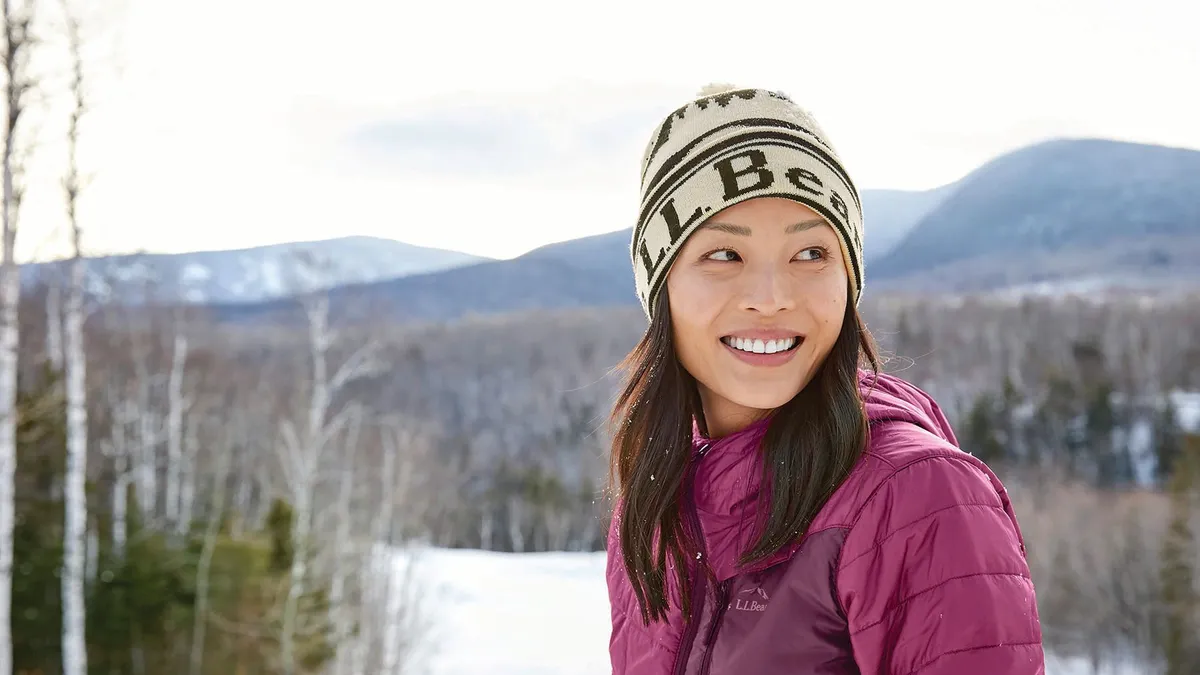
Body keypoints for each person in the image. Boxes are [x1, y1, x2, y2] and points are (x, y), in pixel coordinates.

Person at [605, 84, 1045, 675]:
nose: (771, 298)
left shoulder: (914, 498)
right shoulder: (655, 504)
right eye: (724, 256)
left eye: (810, 253)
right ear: (663, 288)